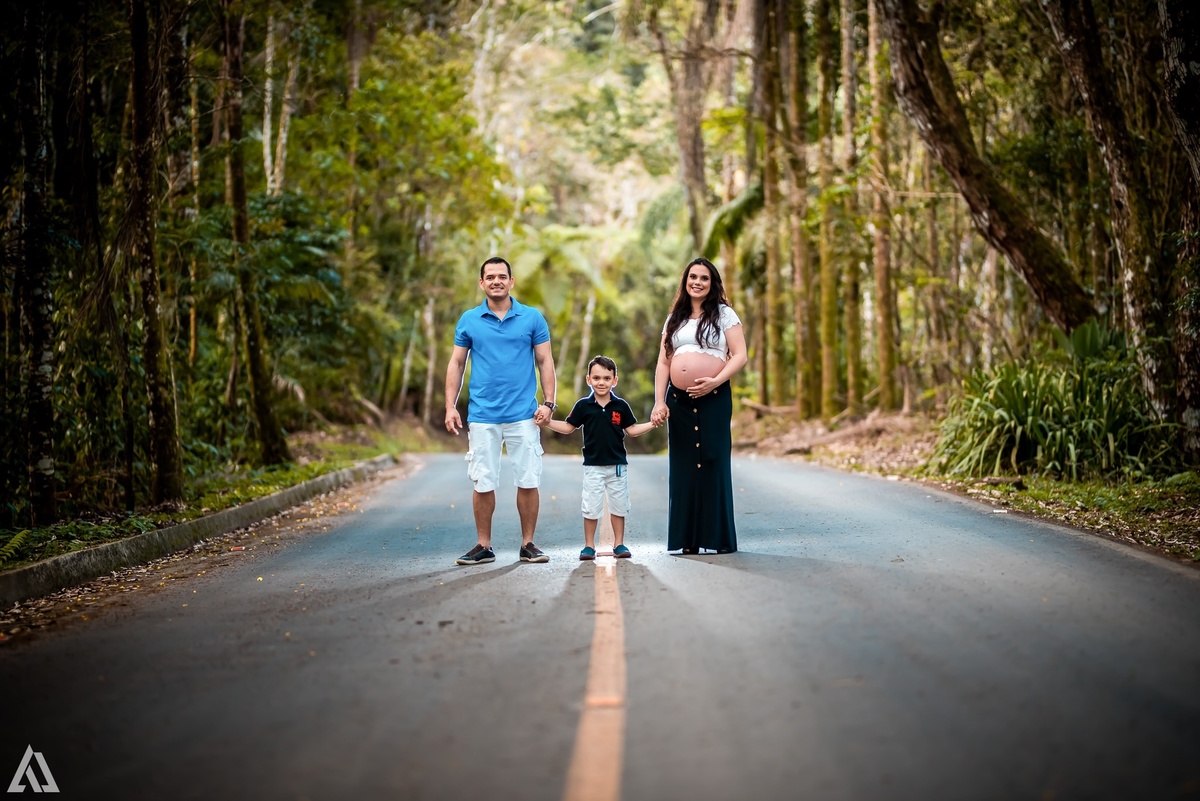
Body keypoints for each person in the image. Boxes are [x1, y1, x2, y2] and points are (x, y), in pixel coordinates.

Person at [445, 256, 557, 565]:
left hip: (524, 414)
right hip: (482, 415)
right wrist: (450, 406)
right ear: (481, 283)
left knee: (528, 478)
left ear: (511, 281)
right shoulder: (469, 319)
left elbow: (545, 361)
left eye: (502, 276)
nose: (496, 281)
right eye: (490, 276)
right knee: (483, 480)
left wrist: (549, 403)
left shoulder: (532, 318)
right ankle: (483, 545)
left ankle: (529, 544)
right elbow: (456, 363)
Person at [649, 257, 748, 554]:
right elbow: (664, 362)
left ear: (712, 283)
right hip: (678, 402)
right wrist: (659, 401)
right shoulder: (675, 319)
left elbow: (740, 355)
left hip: (714, 398)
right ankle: (687, 541)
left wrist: (714, 382)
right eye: (693, 277)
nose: (697, 282)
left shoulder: (724, 314)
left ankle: (718, 539)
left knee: (714, 461)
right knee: (683, 467)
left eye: (704, 278)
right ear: (685, 281)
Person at [540, 355, 661, 561]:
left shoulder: (621, 406)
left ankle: (619, 544)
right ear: (588, 380)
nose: (601, 382)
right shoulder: (583, 406)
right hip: (593, 466)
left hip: (617, 466)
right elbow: (569, 427)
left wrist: (653, 423)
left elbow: (631, 430)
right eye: (596, 378)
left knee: (618, 505)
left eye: (606, 378)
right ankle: (589, 546)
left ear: (615, 380)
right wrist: (547, 422)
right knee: (591, 505)